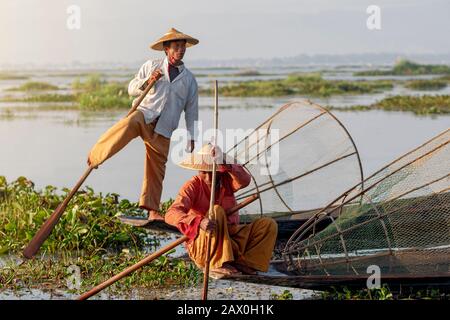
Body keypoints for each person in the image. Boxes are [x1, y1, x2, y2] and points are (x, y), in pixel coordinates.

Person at [87, 28, 199, 221]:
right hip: (145, 116)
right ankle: (97, 155)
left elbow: (192, 110)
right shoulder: (151, 66)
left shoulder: (189, 80)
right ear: (166, 49)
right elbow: (132, 89)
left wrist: (192, 136)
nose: (180, 50)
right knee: (129, 122)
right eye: (176, 47)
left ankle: (153, 211)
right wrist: (149, 80)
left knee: (157, 170)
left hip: (164, 128)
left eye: (183, 47)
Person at [165, 143, 278, 277]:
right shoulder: (192, 186)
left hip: (230, 241)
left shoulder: (226, 180)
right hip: (205, 246)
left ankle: (246, 263)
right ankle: (217, 264)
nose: (208, 178)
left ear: (219, 170)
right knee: (216, 211)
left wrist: (225, 164)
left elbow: (245, 180)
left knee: (268, 225)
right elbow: (171, 214)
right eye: (204, 172)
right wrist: (198, 221)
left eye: (212, 172)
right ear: (198, 170)